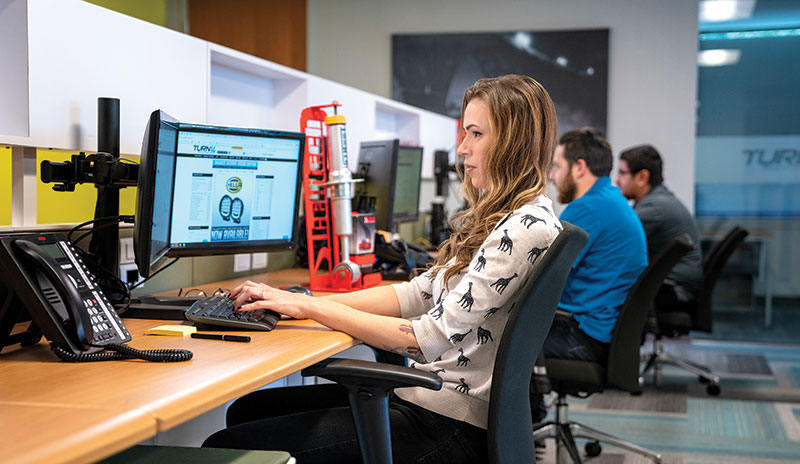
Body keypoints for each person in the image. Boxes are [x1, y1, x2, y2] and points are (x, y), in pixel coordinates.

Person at [203, 74, 562, 463]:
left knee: (228, 449)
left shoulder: (526, 228)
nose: (462, 149)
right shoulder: (508, 216)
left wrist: (312, 309)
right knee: (246, 412)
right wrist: (306, 299)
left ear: (513, 141)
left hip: (448, 423)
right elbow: (416, 293)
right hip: (431, 398)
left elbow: (423, 338)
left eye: (476, 134)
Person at [532, 128, 647, 423]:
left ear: (579, 167)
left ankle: (518, 435)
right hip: (601, 332)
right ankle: (528, 429)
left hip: (584, 336)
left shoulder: (588, 209)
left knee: (496, 339)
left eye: (556, 167)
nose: (552, 177)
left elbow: (536, 273)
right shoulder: (610, 199)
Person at [616, 144, 702, 314]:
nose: (617, 180)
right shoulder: (659, 201)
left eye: (622, 173)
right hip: (673, 287)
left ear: (642, 177)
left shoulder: (656, 208)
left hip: (672, 291)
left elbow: (614, 237)